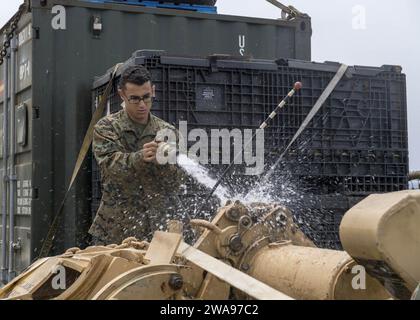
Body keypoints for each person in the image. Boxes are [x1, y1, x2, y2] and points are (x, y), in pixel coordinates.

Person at [88, 65, 185, 245]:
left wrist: (163, 164)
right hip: (116, 230)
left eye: (146, 97)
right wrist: (140, 158)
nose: (142, 105)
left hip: (159, 230)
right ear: (122, 95)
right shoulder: (107, 127)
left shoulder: (168, 132)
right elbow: (110, 167)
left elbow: (178, 181)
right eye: (134, 99)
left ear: (153, 92)